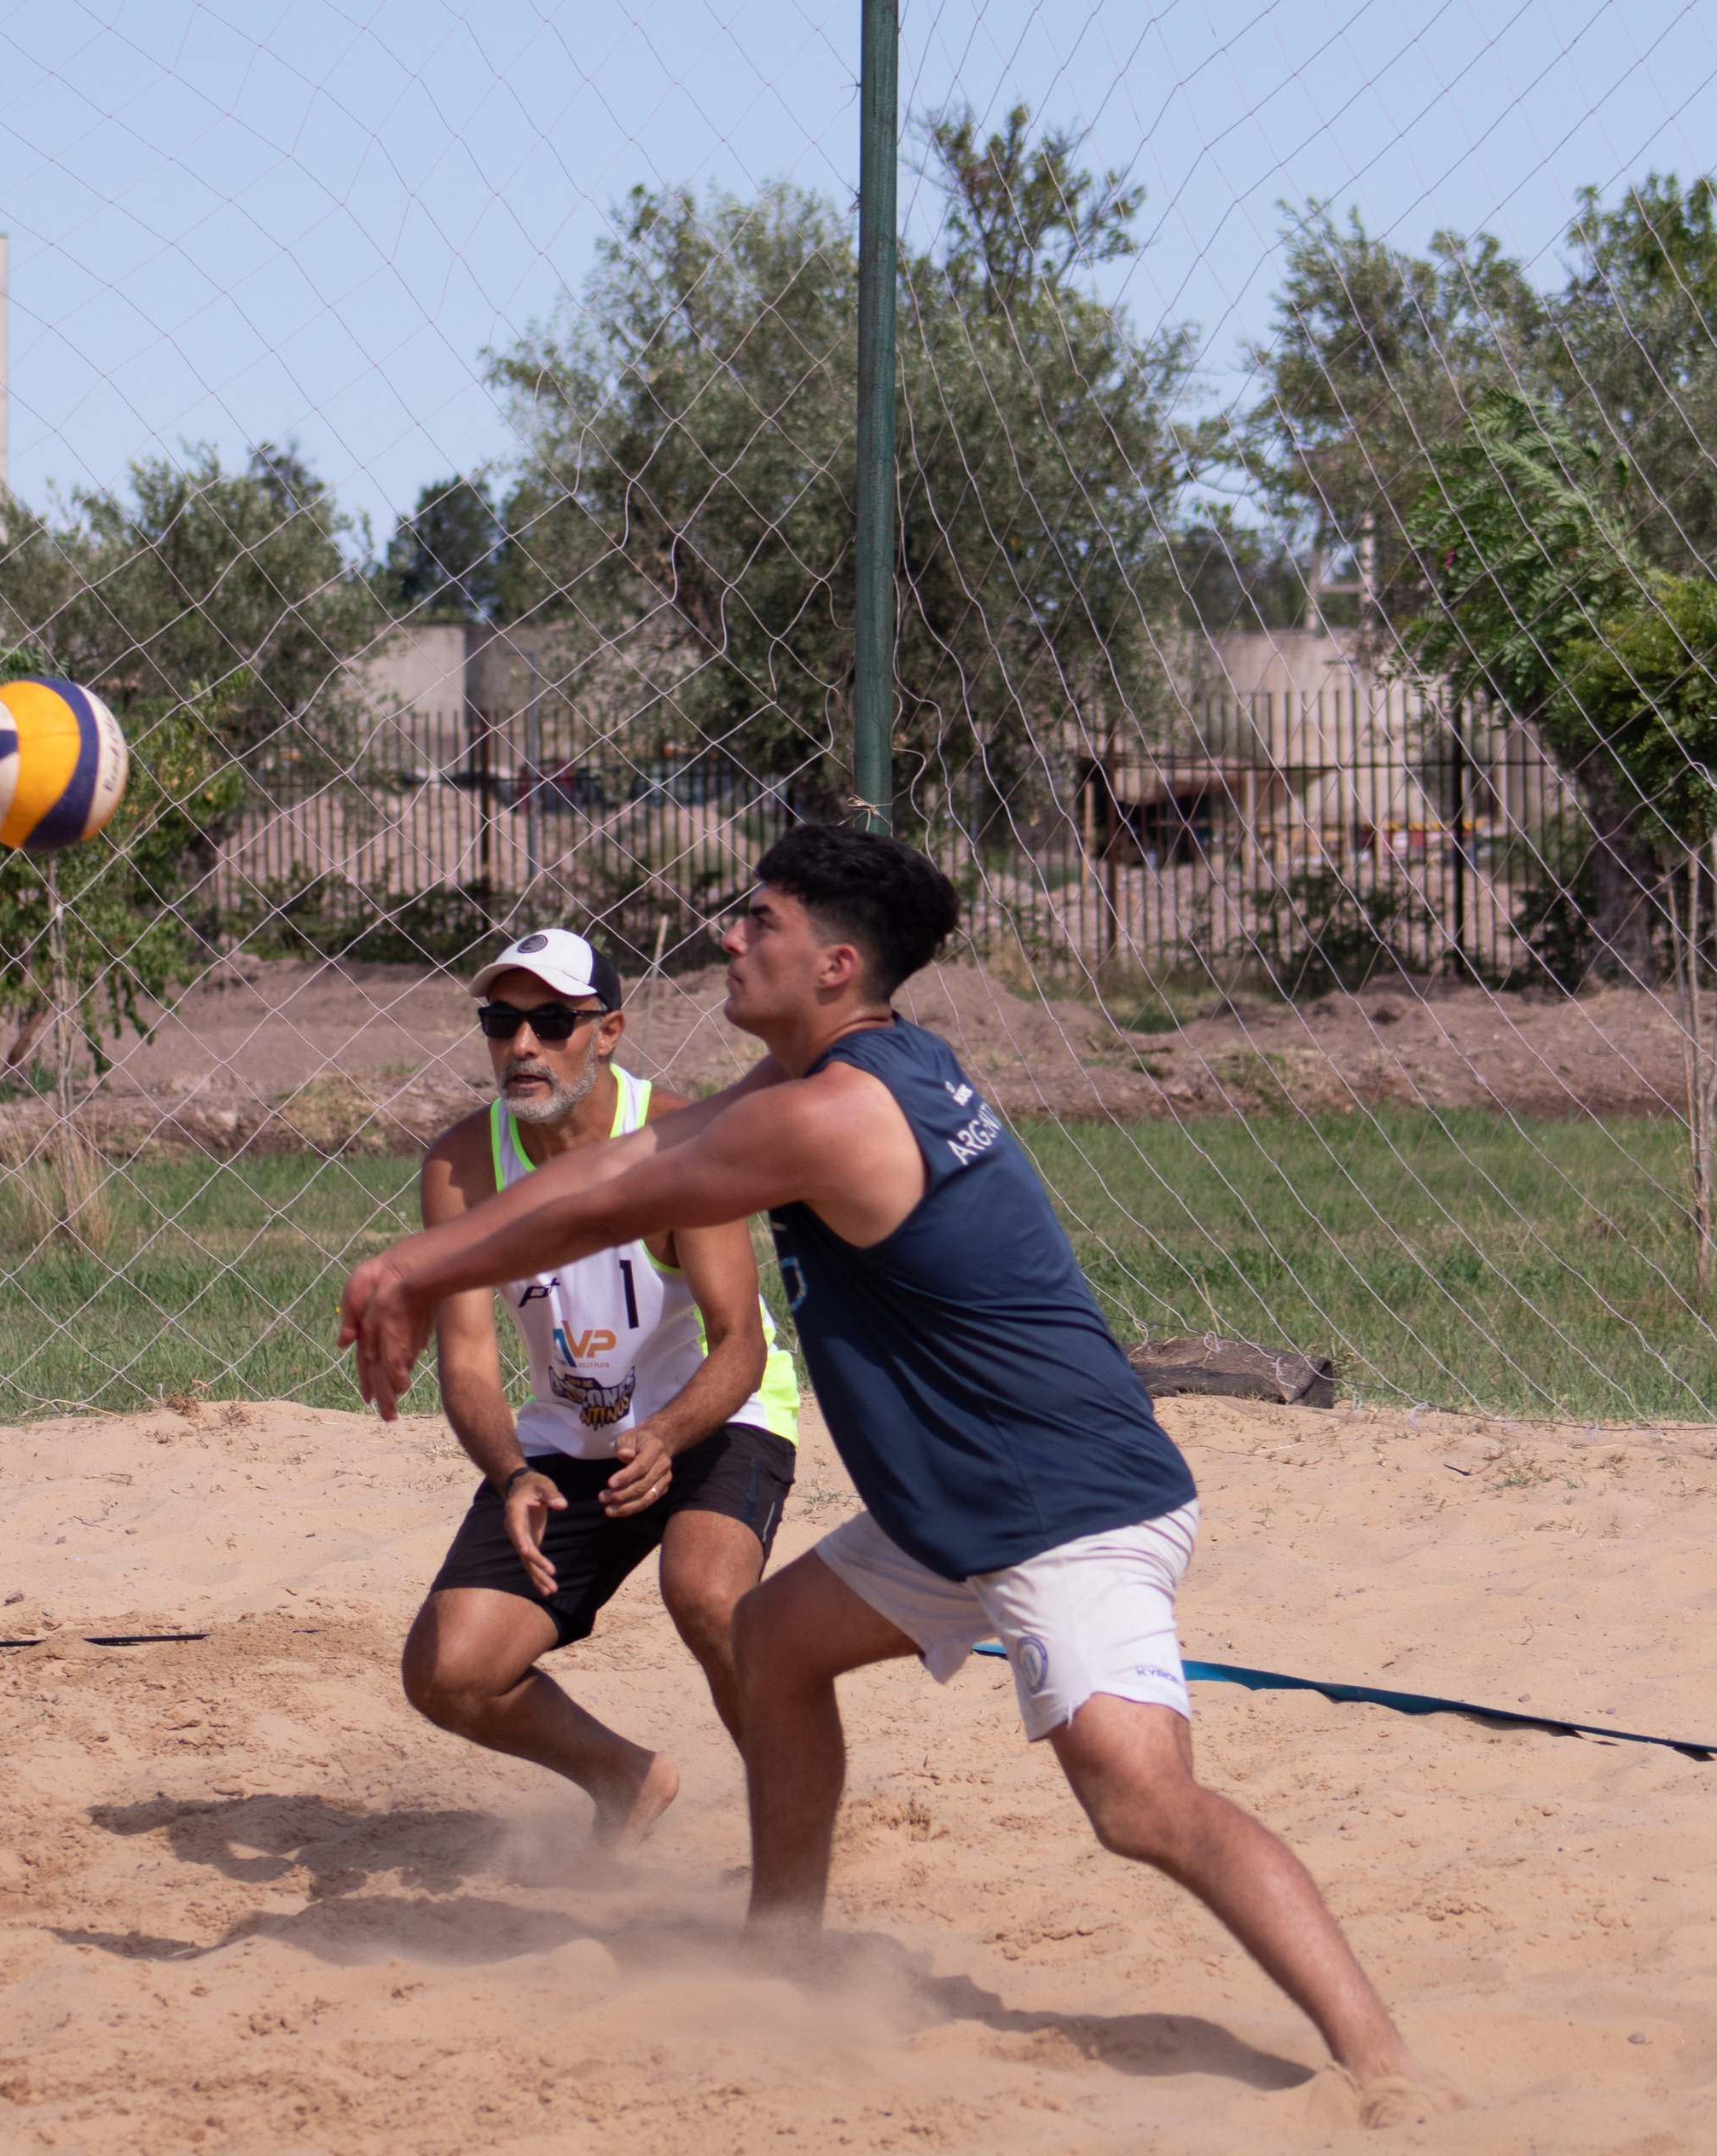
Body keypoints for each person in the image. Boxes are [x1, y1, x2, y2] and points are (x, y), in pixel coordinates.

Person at [346, 838, 1453, 2122]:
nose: (729, 938)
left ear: (835, 962)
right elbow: (629, 1159)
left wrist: (418, 1275)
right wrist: (416, 1263)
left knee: (1142, 1806)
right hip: (951, 1508)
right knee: (770, 1643)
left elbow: (624, 1192)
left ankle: (1385, 2064)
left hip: (1057, 1506)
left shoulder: (830, 1112)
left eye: (757, 921)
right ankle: (783, 1956)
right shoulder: (853, 1064)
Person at [397, 924, 800, 1847]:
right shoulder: (461, 1165)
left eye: (551, 1021)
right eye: (502, 1021)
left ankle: (789, 1828)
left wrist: (666, 1433)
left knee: (703, 1595)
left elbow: (740, 1343)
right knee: (449, 1673)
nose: (523, 1046)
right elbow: (465, 1359)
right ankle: (627, 1780)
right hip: (571, 1442)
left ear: (608, 1031)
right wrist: (510, 1474)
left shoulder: (678, 1141)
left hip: (715, 1411)